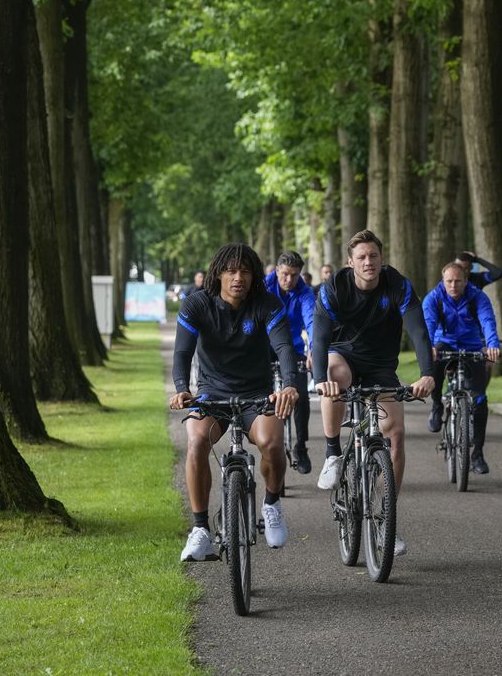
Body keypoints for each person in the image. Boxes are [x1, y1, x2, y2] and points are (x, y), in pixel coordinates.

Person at [169, 243, 300, 562]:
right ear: (218, 274)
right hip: (212, 393)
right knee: (197, 440)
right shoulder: (197, 304)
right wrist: (182, 388)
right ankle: (200, 529)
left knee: (272, 443)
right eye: (230, 271)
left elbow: (284, 347)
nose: (237, 277)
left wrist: (290, 386)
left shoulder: (266, 304)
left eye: (244, 271)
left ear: (255, 276)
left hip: (257, 393)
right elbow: (183, 352)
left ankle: (271, 504)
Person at [311, 230, 435, 557]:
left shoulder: (398, 285)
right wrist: (318, 378)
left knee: (395, 433)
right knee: (335, 377)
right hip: (343, 355)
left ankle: (385, 518)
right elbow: (320, 339)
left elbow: (419, 331)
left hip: (381, 364)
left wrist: (428, 375)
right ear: (350, 262)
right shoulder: (333, 288)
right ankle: (333, 454)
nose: (369, 262)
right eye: (362, 257)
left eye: (374, 256)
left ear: (382, 258)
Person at [422, 262, 501, 474]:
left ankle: (477, 454)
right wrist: (429, 347)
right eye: (449, 281)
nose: (453, 285)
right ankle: (437, 405)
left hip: (471, 345)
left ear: (466, 281)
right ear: (442, 281)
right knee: (433, 370)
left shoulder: (477, 297)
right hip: (443, 344)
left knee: (479, 398)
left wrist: (492, 345)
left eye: (458, 281)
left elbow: (487, 321)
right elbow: (428, 324)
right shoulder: (434, 298)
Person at [263, 250, 315, 474]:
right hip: (264, 348)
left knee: (301, 395)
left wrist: (313, 349)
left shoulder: (305, 293)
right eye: (285, 274)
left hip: (293, 350)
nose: (289, 280)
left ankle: (301, 446)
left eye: (294, 275)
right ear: (276, 271)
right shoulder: (262, 287)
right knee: (258, 394)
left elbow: (312, 321)